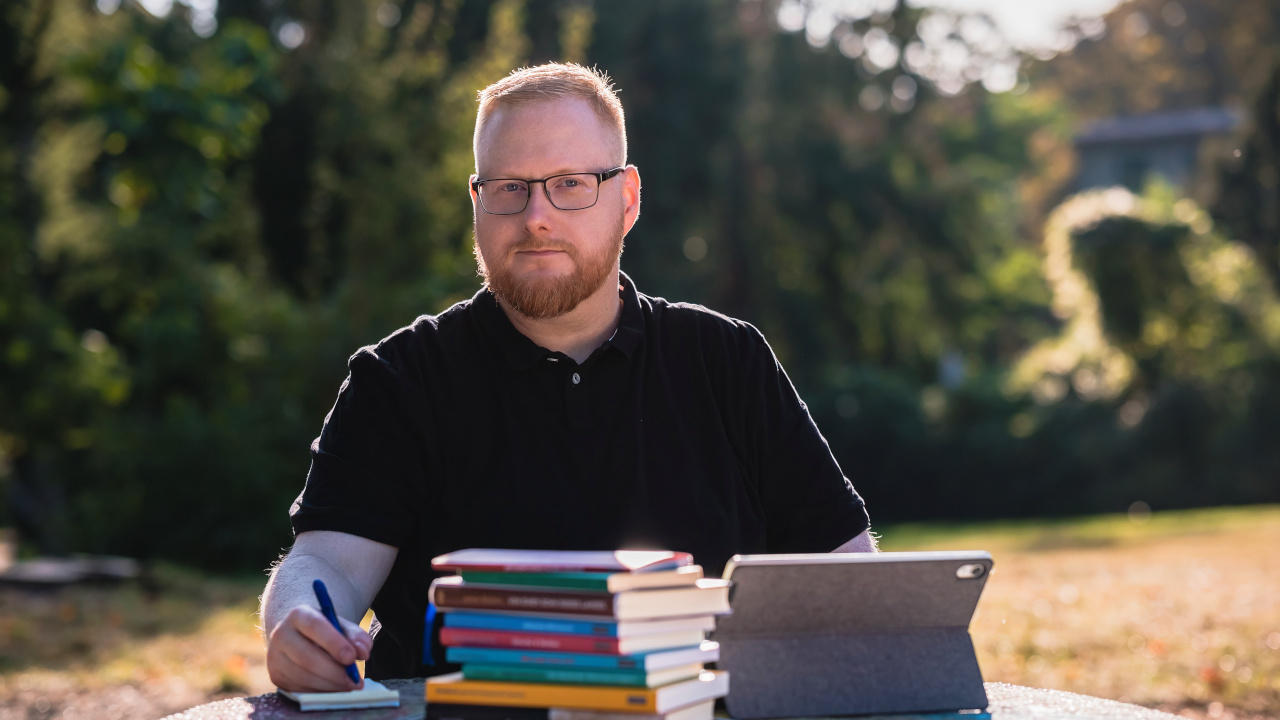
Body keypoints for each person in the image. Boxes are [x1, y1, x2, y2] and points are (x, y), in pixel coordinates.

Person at [261, 63, 875, 693]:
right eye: (510, 188)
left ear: (628, 198)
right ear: (477, 201)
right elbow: (326, 562)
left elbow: (851, 578)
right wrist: (299, 624)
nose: (537, 217)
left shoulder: (729, 363)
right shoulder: (398, 381)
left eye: (571, 184)